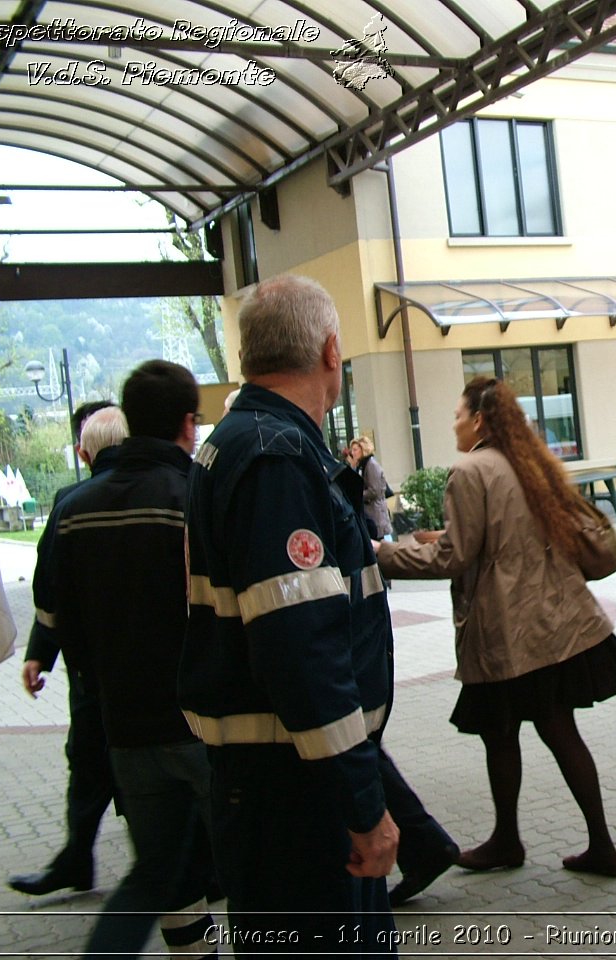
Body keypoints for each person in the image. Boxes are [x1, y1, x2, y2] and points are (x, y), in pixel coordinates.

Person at [180, 275, 399, 952]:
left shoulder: (243, 442)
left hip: (278, 783)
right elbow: (300, 650)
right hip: (297, 796)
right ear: (331, 351)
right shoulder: (276, 457)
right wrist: (363, 804)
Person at [375, 377, 616, 877]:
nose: (452, 422)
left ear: (477, 419)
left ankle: (508, 840)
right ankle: (596, 843)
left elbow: (454, 557)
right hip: (557, 622)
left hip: (507, 630)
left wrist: (384, 555)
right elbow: (505, 533)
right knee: (558, 730)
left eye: (457, 413)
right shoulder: (527, 462)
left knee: (502, 734)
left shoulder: (469, 469)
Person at [53, 362, 215, 956]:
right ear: (186, 424)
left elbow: (63, 620)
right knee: (249, 864)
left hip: (124, 729)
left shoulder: (76, 510)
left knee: (158, 871)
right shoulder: (196, 497)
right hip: (201, 722)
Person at [9, 403, 126, 897]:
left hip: (93, 671)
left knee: (92, 764)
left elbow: (50, 592)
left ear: (83, 451)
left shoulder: (69, 503)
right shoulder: (175, 491)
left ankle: (82, 857)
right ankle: (81, 857)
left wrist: (40, 652)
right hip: (156, 671)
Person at [353, 436, 393, 540]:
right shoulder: (362, 465)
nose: (353, 453)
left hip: (375, 512)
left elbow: (374, 490)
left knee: (379, 542)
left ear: (363, 449)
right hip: (369, 512)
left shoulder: (371, 465)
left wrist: (357, 496)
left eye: (355, 450)